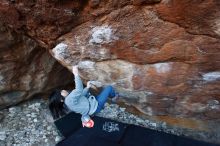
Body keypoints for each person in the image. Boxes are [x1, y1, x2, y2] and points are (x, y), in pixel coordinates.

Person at [49, 65, 119, 128]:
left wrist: (87, 87)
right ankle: (114, 98)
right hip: (95, 106)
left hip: (91, 104)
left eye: (61, 90)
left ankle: (87, 119)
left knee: (99, 95)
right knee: (109, 88)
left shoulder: (68, 102)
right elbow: (79, 89)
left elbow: (81, 95)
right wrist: (76, 74)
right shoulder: (69, 100)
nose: (63, 90)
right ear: (61, 100)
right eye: (61, 92)